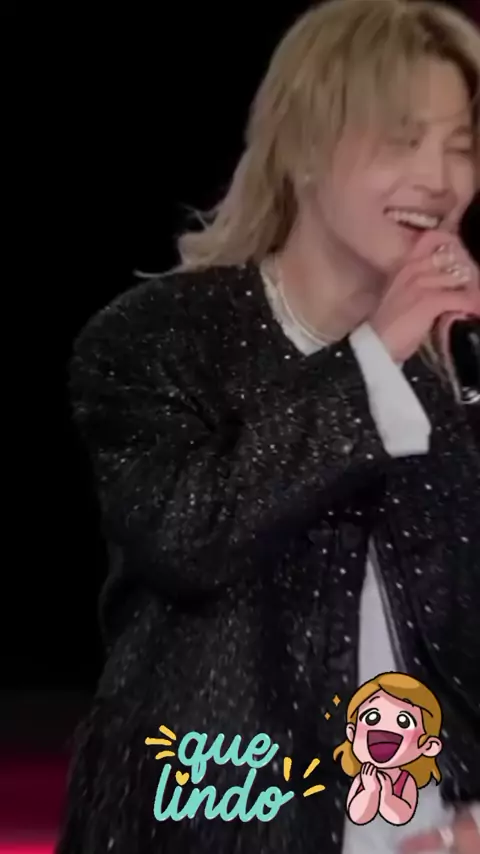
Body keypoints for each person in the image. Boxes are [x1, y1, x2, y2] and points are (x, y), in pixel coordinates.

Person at [56, 1, 480, 852]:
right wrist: (376, 354)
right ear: (305, 149)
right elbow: (190, 534)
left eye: (462, 146)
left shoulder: (459, 362)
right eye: (402, 140)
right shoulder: (156, 340)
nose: (439, 181)